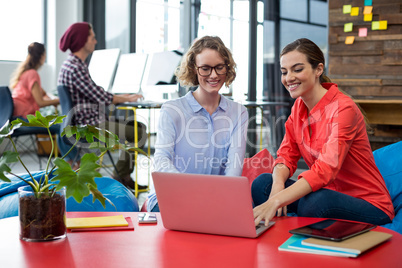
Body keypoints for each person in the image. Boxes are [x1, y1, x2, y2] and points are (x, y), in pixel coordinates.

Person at [252, 38, 394, 226]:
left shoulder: (344, 108)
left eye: (298, 69)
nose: (289, 78)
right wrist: (277, 185)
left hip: (368, 203)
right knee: (263, 184)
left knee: (315, 203)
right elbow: (286, 155)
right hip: (325, 192)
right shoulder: (298, 108)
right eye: (284, 72)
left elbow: (325, 169)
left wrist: (277, 200)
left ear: (318, 69)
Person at [147, 36, 249, 212]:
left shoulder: (238, 112)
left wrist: (215, 198)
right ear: (194, 69)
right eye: (205, 69)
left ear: (227, 67)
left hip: (217, 197)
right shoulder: (172, 109)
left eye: (219, 67)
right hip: (173, 195)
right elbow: (162, 160)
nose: (214, 75)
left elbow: (234, 167)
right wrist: (191, 192)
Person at [57, 22, 147, 190]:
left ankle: (122, 175)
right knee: (139, 131)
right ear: (82, 40)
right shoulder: (75, 67)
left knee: (137, 126)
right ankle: (121, 176)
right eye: (92, 37)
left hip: (87, 124)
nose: (95, 41)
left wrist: (121, 97)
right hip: (91, 127)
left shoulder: (71, 65)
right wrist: (125, 97)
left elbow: (95, 93)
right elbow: (99, 96)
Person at [10, 42, 60, 118]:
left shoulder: (24, 73)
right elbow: (40, 102)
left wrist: (50, 98)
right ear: (42, 56)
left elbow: (43, 94)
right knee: (58, 127)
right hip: (24, 117)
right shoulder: (33, 74)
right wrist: (59, 100)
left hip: (15, 115)